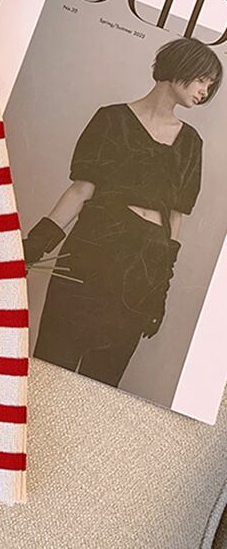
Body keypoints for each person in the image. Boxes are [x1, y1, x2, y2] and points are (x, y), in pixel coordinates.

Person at [22, 38, 222, 387]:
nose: (205, 91)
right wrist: (34, 246)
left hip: (142, 270)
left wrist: (160, 290)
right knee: (52, 365)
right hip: (90, 253)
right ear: (180, 66)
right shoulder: (111, 119)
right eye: (202, 79)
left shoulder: (191, 143)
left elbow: (176, 219)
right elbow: (81, 190)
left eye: (211, 85)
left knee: (102, 381)